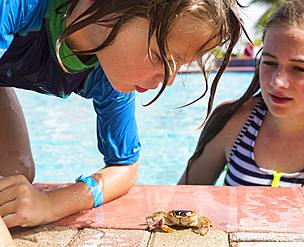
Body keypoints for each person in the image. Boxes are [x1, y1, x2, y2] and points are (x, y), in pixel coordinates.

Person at [0, 0, 245, 227]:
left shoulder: (106, 73)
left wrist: (50, 204)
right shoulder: (17, 7)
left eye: (179, 64)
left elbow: (125, 167)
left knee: (15, 174)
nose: (168, 80)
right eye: (160, 56)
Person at [179, 0, 304, 188]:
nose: (277, 82)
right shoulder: (232, 121)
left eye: (299, 69)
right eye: (269, 62)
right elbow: (181, 202)